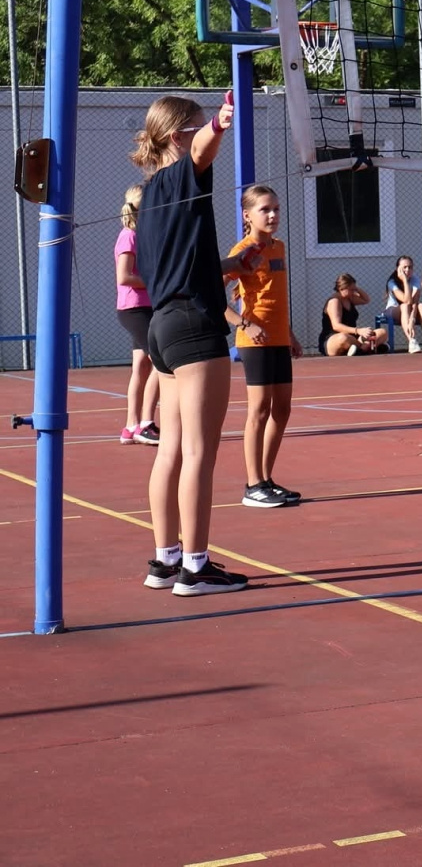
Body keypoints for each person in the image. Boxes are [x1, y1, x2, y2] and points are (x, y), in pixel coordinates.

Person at [130, 92, 255, 596]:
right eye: (197, 126)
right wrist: (220, 124)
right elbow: (202, 150)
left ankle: (166, 560)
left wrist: (227, 266)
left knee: (172, 451)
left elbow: (177, 264)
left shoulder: (147, 199)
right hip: (192, 326)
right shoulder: (180, 176)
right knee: (199, 452)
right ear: (177, 136)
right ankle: (196, 567)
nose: (205, 134)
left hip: (162, 325)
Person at [228, 185, 303, 508]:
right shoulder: (242, 251)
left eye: (276, 209)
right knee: (259, 410)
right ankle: (252, 484)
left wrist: (289, 334)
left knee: (282, 409)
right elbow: (212, 294)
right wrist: (244, 323)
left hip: (278, 338)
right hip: (254, 340)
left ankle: (266, 480)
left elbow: (275, 298)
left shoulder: (279, 247)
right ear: (247, 215)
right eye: (265, 210)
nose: (272, 215)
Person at [114, 184, 161, 446]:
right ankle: (146, 423)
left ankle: (130, 426)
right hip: (135, 309)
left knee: (141, 366)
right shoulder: (129, 236)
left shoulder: (145, 235)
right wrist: (156, 282)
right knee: (162, 361)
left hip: (146, 306)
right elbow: (124, 276)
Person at [320, 274, 388, 356]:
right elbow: (336, 326)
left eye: (354, 289)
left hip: (353, 339)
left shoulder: (350, 298)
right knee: (343, 338)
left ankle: (361, 350)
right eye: (351, 289)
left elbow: (366, 299)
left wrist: (356, 288)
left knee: (382, 332)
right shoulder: (334, 301)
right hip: (333, 339)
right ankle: (370, 347)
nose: (354, 292)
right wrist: (358, 331)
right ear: (342, 288)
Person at [384, 255, 422, 353]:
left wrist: (412, 319)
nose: (407, 270)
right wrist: (404, 280)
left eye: (410, 267)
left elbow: (415, 302)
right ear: (398, 269)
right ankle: (412, 341)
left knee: (421, 305)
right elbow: (407, 301)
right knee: (404, 306)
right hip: (393, 310)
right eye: (404, 267)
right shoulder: (391, 282)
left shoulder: (415, 279)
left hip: (410, 308)